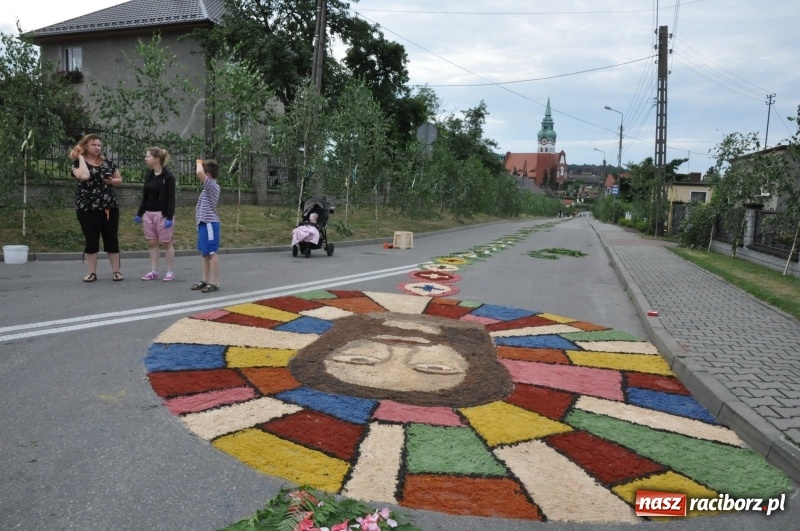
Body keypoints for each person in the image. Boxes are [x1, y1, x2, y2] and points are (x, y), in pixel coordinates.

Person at [69, 133, 123, 282]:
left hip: (109, 207)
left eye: (99, 145)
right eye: (94, 145)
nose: (97, 147)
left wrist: (111, 181)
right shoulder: (76, 164)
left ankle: (116, 271)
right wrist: (80, 157)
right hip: (87, 208)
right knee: (91, 240)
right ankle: (92, 272)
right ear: (85, 146)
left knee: (111, 238)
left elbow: (119, 180)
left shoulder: (107, 162)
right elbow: (84, 176)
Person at [134, 147, 177, 281]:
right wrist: (140, 213)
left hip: (162, 214)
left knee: (166, 243)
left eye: (148, 156)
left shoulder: (168, 177)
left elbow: (171, 198)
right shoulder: (149, 175)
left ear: (156, 159)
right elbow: (145, 196)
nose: (146, 159)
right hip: (149, 214)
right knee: (152, 243)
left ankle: (170, 272)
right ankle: (154, 271)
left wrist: (169, 217)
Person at [191, 158, 221, 293]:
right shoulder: (208, 187)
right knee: (205, 254)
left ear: (208, 175)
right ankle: (205, 280)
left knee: (211, 253)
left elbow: (199, 172)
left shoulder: (212, 186)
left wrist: (199, 162)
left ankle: (214, 282)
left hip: (210, 224)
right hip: (203, 224)